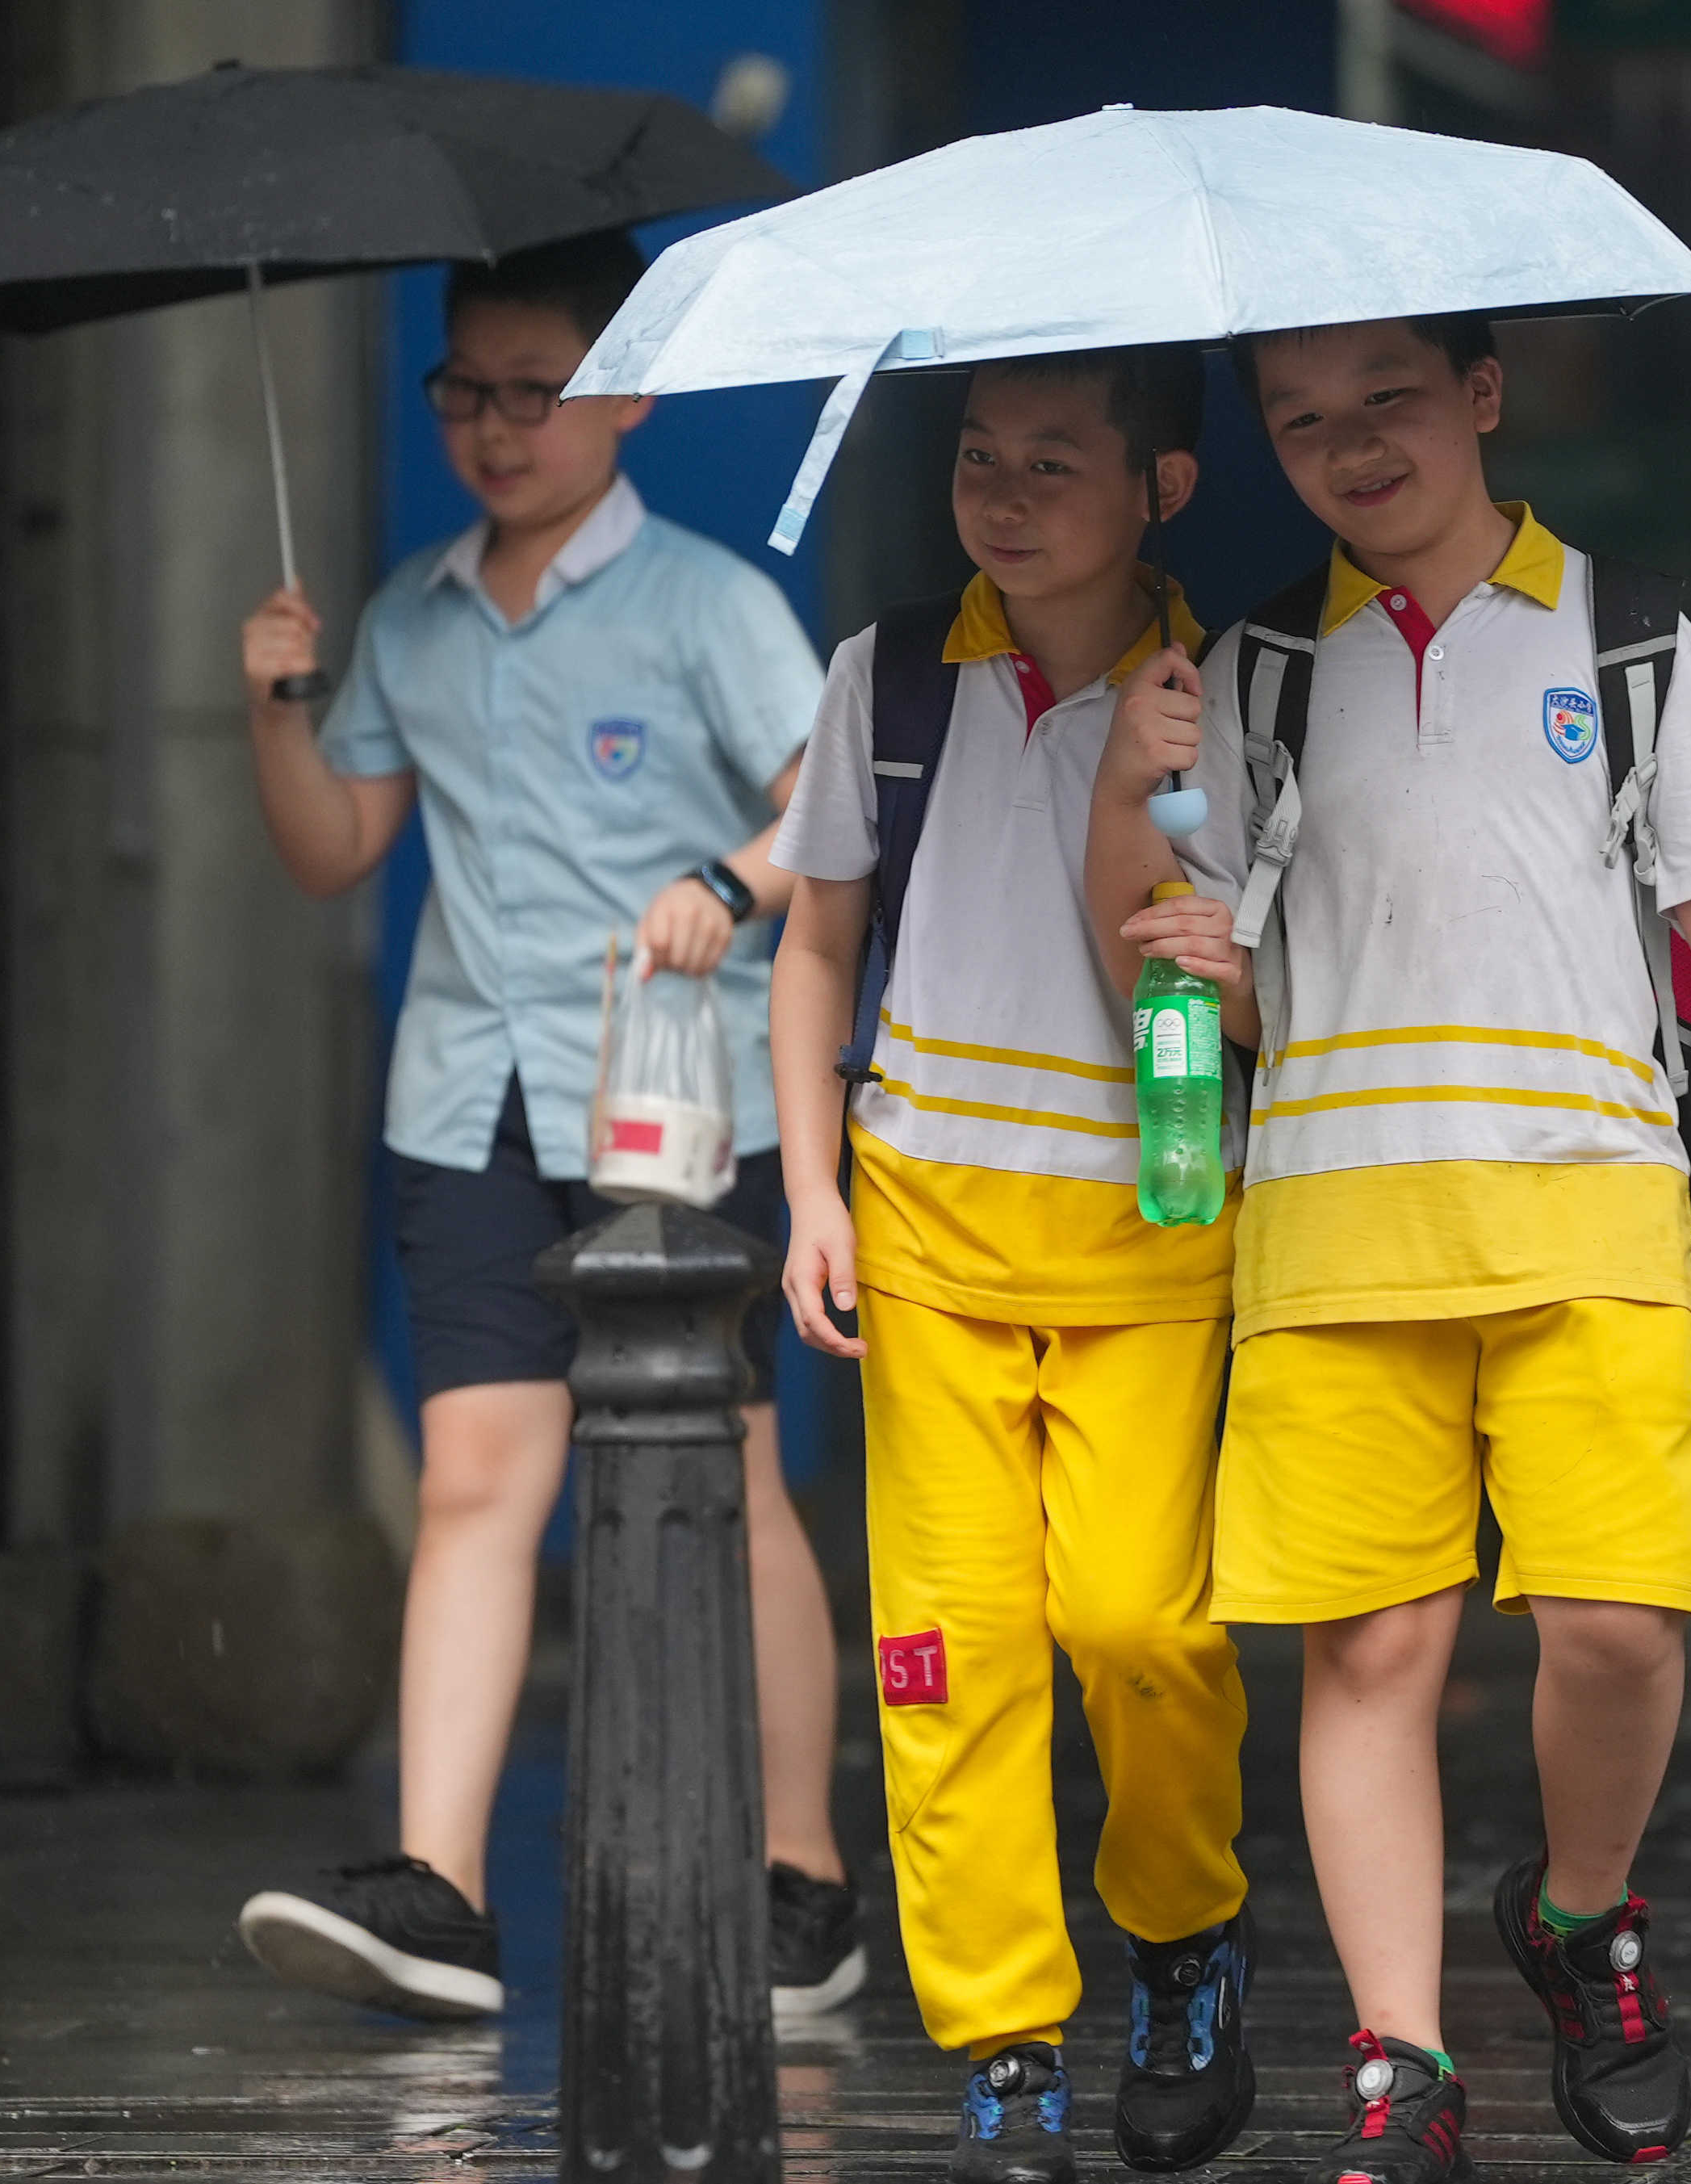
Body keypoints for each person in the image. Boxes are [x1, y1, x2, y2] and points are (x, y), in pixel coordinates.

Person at [1090, 314, 1691, 2184]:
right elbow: (1165, 969)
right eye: (1303, 422)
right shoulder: (1249, 671)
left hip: (1593, 1205)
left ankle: (1582, 1915)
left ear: (1482, 397)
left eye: (1389, 403)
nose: (1351, 448)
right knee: (1372, 1657)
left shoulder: (1624, 639)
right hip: (1334, 1230)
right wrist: (1172, 923)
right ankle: (1405, 2064)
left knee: (1615, 1624)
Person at [226, 232, 861, 2024]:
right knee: (475, 1482)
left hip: (673, 1092)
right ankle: (436, 1885)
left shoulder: (705, 605)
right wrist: (276, 702)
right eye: (467, 394)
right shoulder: (415, 612)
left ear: (627, 395)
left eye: (539, 393)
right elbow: (333, 846)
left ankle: (802, 1874)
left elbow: (833, 801)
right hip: (469, 1103)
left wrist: (724, 888)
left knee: (725, 1479)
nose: (498, 431)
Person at [770, 346, 1257, 2184]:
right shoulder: (889, 680)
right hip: (926, 1236)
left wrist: (1151, 794)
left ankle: (1185, 1931)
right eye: (983, 455)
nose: (1006, 493)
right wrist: (814, 1191)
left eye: (1058, 460)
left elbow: (1213, 1017)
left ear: (1163, 490)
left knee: (1143, 1629)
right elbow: (817, 951)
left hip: (1152, 1243)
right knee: (943, 1657)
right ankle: (1003, 2045)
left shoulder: (1231, 704)